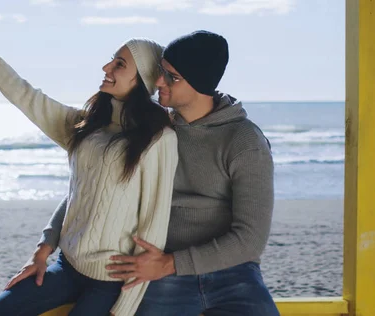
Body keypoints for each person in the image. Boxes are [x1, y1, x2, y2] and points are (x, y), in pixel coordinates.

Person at [0, 4, 178, 316]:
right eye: (112, 60)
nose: (106, 67)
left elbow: (153, 226)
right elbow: (24, 94)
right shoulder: (87, 126)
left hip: (110, 283)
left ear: (141, 80)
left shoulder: (158, 139)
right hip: (66, 267)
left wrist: (124, 308)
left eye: (119, 64)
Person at [46, 30, 280, 315]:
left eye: (171, 76)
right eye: (160, 72)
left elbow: (251, 239)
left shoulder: (244, 141)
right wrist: (48, 241)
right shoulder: (152, 129)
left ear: (200, 84)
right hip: (158, 271)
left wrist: (170, 263)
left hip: (230, 272)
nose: (158, 82)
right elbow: (94, 185)